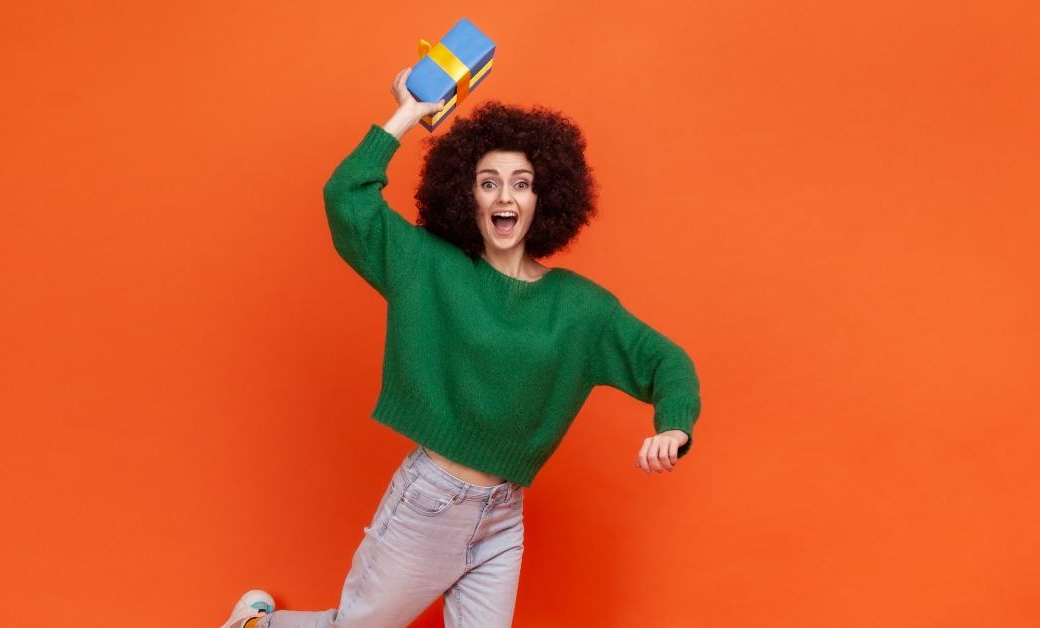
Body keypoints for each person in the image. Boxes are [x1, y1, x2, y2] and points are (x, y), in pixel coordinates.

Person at [221, 66, 702, 628]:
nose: (505, 196)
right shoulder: (429, 267)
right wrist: (408, 114)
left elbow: (667, 361)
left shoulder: (582, 309)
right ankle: (255, 624)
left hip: (504, 516)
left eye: (521, 182)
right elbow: (346, 200)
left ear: (543, 197)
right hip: (430, 503)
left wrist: (675, 425)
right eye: (488, 181)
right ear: (466, 194)